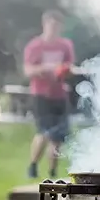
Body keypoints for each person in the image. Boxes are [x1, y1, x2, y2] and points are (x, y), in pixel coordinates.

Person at [23, 9, 76, 178]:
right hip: (41, 95)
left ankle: (52, 171)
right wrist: (45, 68)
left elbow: (70, 67)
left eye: (57, 25)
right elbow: (28, 70)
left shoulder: (65, 45)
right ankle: (33, 165)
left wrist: (65, 71)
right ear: (44, 24)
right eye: (51, 24)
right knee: (44, 132)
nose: (54, 28)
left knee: (57, 136)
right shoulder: (35, 46)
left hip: (59, 95)